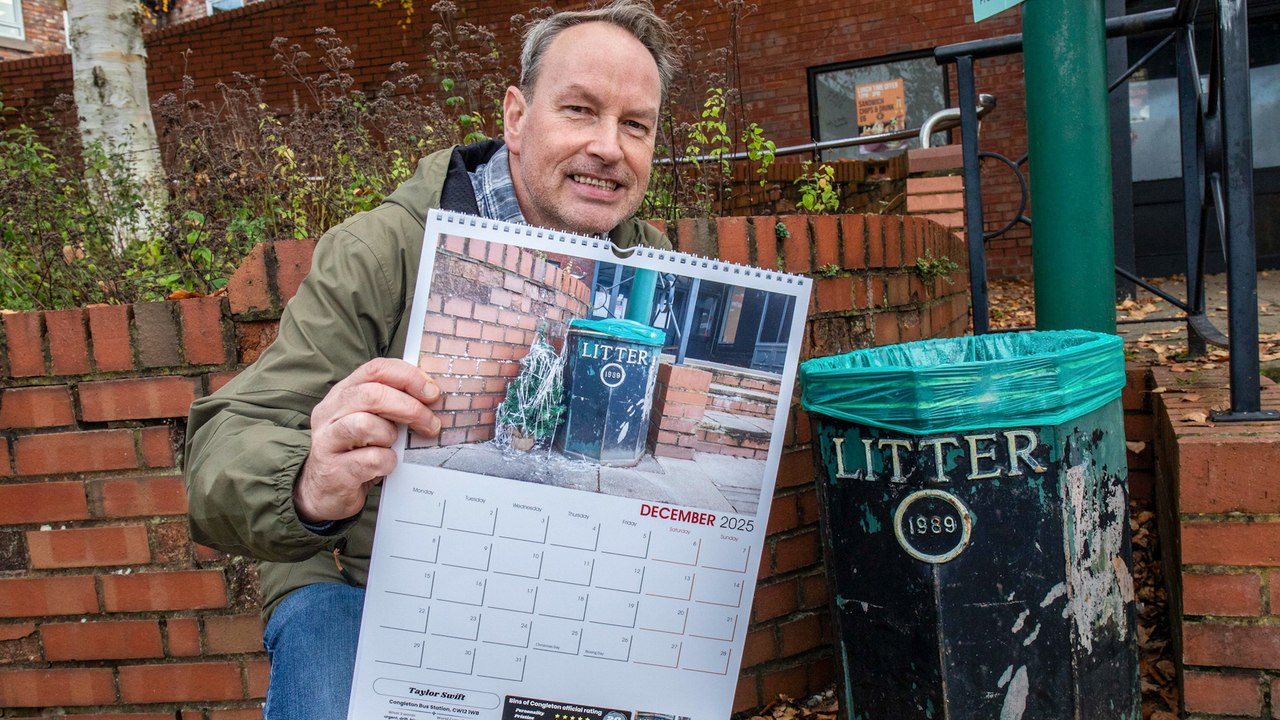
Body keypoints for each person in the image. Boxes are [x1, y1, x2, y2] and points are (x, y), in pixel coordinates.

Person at [183, 3, 677, 718]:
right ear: (515, 116)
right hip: (359, 578)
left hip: (561, 588)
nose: (609, 146)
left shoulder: (650, 261)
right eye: (579, 110)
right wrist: (310, 481)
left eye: (636, 124)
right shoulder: (382, 251)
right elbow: (221, 453)